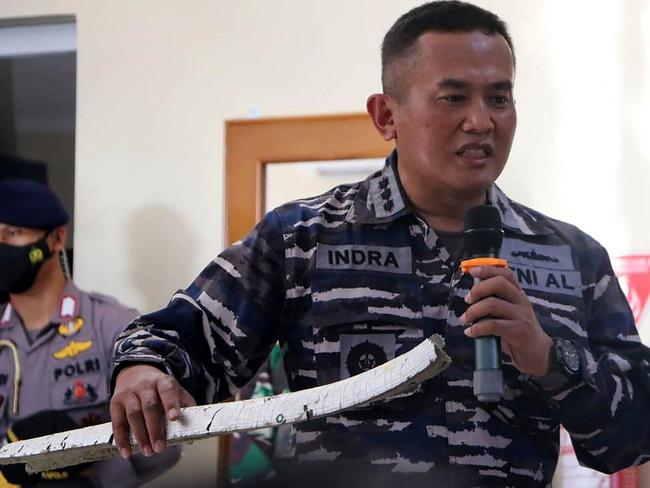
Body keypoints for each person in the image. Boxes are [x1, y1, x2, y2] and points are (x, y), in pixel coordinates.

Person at [109, 1, 650, 487]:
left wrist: (550, 358)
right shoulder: (303, 239)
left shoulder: (573, 257)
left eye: (499, 97)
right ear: (386, 116)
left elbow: (632, 436)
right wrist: (143, 372)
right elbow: (173, 339)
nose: (481, 121)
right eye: (454, 96)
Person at [0, 179, 180, 487]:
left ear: (56, 239)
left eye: (12, 233)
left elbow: (168, 443)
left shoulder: (116, 327)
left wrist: (90, 458)